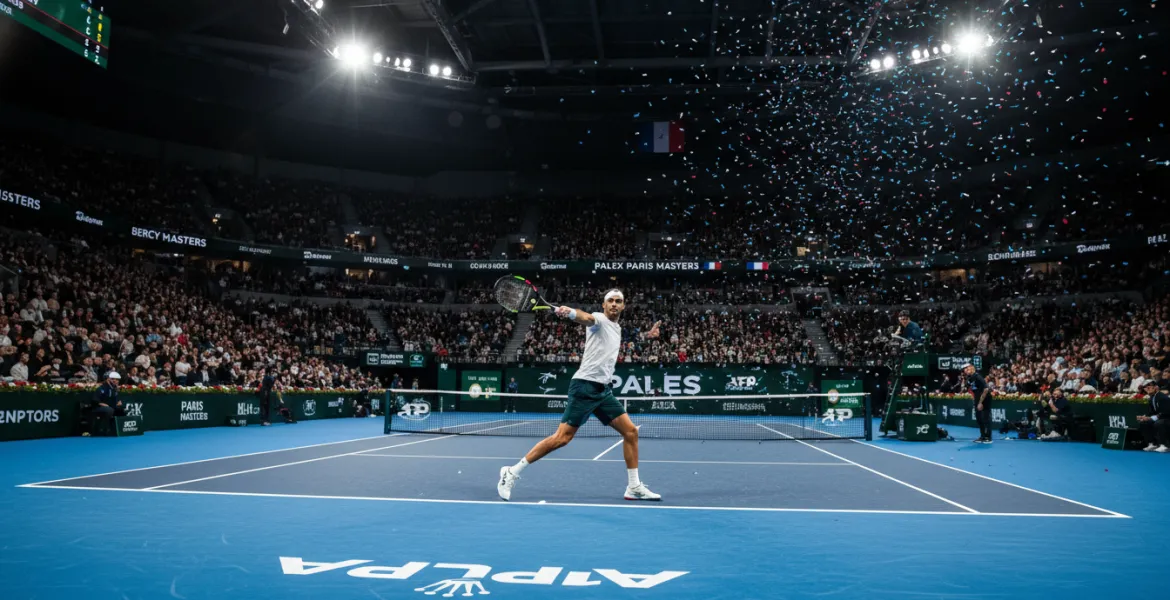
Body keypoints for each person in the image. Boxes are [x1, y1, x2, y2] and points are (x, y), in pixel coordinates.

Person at [497, 289, 662, 501]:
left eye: (618, 301)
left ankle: (633, 486)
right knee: (561, 439)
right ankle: (511, 472)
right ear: (603, 306)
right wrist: (572, 313)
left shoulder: (617, 327)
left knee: (630, 432)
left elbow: (617, 342)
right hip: (584, 387)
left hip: (602, 390)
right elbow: (587, 317)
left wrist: (646, 336)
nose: (613, 304)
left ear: (623, 306)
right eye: (610, 301)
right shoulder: (599, 320)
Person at [86, 372, 124, 437]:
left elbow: (115, 400)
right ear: (108, 379)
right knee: (109, 410)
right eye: (114, 379)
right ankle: (104, 430)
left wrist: (118, 403)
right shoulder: (101, 388)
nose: (116, 381)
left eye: (117, 380)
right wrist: (102, 404)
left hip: (110, 407)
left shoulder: (114, 389)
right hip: (97, 408)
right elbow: (95, 401)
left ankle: (119, 430)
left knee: (121, 409)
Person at [1137, 380, 1170, 452]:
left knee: (1159, 423)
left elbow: (1166, 412)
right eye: (1145, 388)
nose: (1147, 389)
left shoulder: (1163, 397)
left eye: (1149, 387)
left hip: (1167, 418)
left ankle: (1164, 445)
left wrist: (1151, 418)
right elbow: (1151, 412)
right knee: (1144, 423)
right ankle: (1152, 444)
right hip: (1161, 418)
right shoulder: (1152, 398)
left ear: (1156, 387)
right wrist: (1144, 417)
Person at [964, 363, 993, 443]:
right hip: (977, 399)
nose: (966, 371)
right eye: (965, 369)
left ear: (973, 369)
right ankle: (982, 436)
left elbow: (986, 389)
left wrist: (980, 402)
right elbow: (971, 389)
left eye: (968, 369)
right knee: (979, 418)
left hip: (985, 399)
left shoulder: (978, 377)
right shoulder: (969, 378)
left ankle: (988, 437)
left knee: (985, 418)